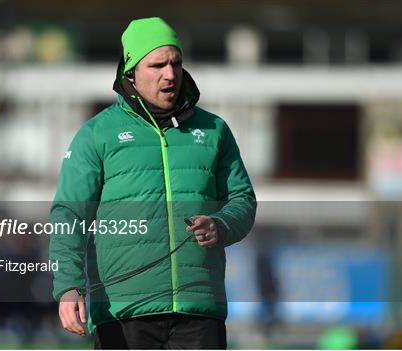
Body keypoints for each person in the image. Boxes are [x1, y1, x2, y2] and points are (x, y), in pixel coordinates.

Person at [50, 17, 256, 349]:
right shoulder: (97, 134)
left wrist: (221, 225)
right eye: (157, 65)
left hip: (199, 311)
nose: (170, 74)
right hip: (123, 313)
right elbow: (69, 215)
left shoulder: (215, 130)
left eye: (176, 63)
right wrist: (69, 286)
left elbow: (243, 200)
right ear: (130, 71)